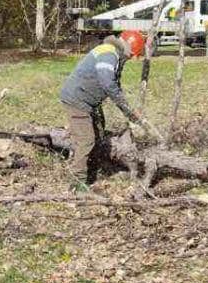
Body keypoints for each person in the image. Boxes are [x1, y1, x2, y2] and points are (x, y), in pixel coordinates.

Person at [58, 30, 150, 184]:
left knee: (98, 132)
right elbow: (108, 84)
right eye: (131, 56)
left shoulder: (113, 52)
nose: (129, 59)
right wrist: (129, 113)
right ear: (130, 50)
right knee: (86, 140)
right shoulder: (109, 54)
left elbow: (115, 86)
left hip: (87, 100)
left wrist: (130, 113)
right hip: (78, 99)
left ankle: (93, 171)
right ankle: (77, 184)